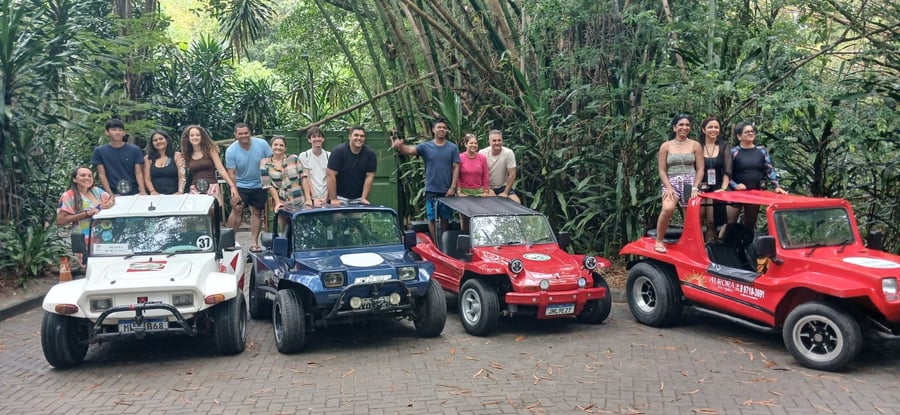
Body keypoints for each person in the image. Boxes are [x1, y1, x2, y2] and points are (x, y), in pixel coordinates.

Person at [392, 118, 460, 238]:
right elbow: (409, 150)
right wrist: (400, 145)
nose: (442, 130)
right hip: (431, 189)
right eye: (439, 127)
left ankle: (444, 241)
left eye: (444, 128)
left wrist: (453, 187)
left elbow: (456, 167)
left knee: (445, 217)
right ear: (433, 129)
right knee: (431, 217)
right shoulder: (426, 147)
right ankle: (434, 242)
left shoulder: (452, 148)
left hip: (447, 189)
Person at [725, 121, 788, 232]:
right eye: (747, 132)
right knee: (729, 223)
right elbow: (726, 173)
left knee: (750, 223)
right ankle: (723, 246)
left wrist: (776, 186)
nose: (750, 133)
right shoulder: (733, 152)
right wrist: (735, 185)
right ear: (739, 136)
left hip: (755, 193)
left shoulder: (762, 151)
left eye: (751, 131)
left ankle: (746, 246)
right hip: (736, 193)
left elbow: (769, 170)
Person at [654, 114, 704, 253]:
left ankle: (690, 244)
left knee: (691, 216)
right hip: (671, 182)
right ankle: (659, 240)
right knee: (667, 209)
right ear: (674, 127)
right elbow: (662, 170)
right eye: (681, 125)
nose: (684, 127)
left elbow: (700, 169)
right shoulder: (666, 146)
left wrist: (695, 187)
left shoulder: (695, 145)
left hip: (690, 183)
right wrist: (668, 187)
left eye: (687, 125)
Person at [226, 123, 272, 252]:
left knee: (256, 212)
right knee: (237, 209)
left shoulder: (262, 144)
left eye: (246, 133)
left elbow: (271, 161)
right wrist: (234, 191)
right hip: (241, 184)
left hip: (260, 184)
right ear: (235, 135)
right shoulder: (231, 150)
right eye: (240, 134)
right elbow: (231, 172)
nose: (243, 136)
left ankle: (254, 243)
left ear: (250, 132)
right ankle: (229, 240)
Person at [181, 125, 237, 210]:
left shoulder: (210, 150)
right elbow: (182, 174)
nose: (195, 137)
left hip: (212, 186)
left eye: (197, 135)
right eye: (192, 135)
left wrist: (232, 186)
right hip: (195, 188)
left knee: (212, 214)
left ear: (202, 137)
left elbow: (221, 169)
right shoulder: (186, 154)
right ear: (188, 138)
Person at [57, 167, 115, 247]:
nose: (87, 178)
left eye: (90, 176)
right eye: (83, 175)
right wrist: (86, 213)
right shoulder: (68, 196)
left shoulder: (96, 191)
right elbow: (60, 220)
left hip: (103, 236)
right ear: (74, 179)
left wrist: (110, 203)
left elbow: (111, 197)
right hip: (83, 239)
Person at [261, 135, 310, 229]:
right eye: (275, 145)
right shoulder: (265, 163)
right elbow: (268, 185)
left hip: (298, 200)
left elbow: (303, 178)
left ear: (285, 148)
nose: (278, 147)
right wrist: (278, 202)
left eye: (281, 145)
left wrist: (308, 199)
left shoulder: (293, 159)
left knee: (301, 228)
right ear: (271, 147)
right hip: (282, 202)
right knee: (285, 229)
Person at [697, 117, 732, 241]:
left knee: (712, 222)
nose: (714, 130)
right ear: (703, 129)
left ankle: (710, 249)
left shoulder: (723, 146)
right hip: (700, 186)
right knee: (698, 220)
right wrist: (696, 187)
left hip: (717, 187)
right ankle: (695, 248)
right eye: (710, 127)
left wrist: (723, 188)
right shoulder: (697, 146)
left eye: (716, 127)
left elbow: (728, 169)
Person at [91, 118, 146, 195]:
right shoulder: (99, 151)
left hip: (134, 192)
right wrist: (109, 194)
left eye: (120, 130)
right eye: (114, 130)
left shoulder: (134, 150)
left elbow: (139, 172)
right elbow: (102, 175)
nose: (117, 132)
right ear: (107, 132)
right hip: (113, 192)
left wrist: (142, 191)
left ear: (124, 133)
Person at [326, 126, 377, 205]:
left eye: (362, 136)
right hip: (340, 196)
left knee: (357, 217)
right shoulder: (338, 151)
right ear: (350, 137)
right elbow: (330, 175)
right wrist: (333, 199)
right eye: (356, 135)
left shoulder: (370, 154)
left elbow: (369, 176)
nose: (359, 138)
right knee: (338, 217)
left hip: (358, 197)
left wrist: (364, 198)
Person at [479, 129, 521, 203]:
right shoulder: (482, 153)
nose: (497, 143)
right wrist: (487, 188)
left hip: (503, 187)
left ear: (502, 141)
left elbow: (512, 174)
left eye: (499, 140)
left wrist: (505, 193)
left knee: (516, 202)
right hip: (487, 186)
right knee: (493, 202)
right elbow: (479, 174)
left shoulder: (509, 153)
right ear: (489, 142)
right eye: (494, 141)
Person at [144, 130, 185, 195]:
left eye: (161, 139)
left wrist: (180, 191)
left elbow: (182, 177)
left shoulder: (177, 155)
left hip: (174, 195)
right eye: (155, 140)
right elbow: (147, 179)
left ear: (167, 141)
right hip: (155, 196)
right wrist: (152, 191)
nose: (158, 141)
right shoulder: (148, 158)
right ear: (152, 143)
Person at [298, 127, 330, 206]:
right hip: (311, 198)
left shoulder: (329, 155)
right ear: (309, 140)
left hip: (327, 198)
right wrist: (314, 198)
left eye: (319, 136)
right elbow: (306, 177)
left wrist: (326, 197)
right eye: (314, 137)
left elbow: (331, 177)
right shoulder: (304, 156)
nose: (317, 139)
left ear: (323, 139)